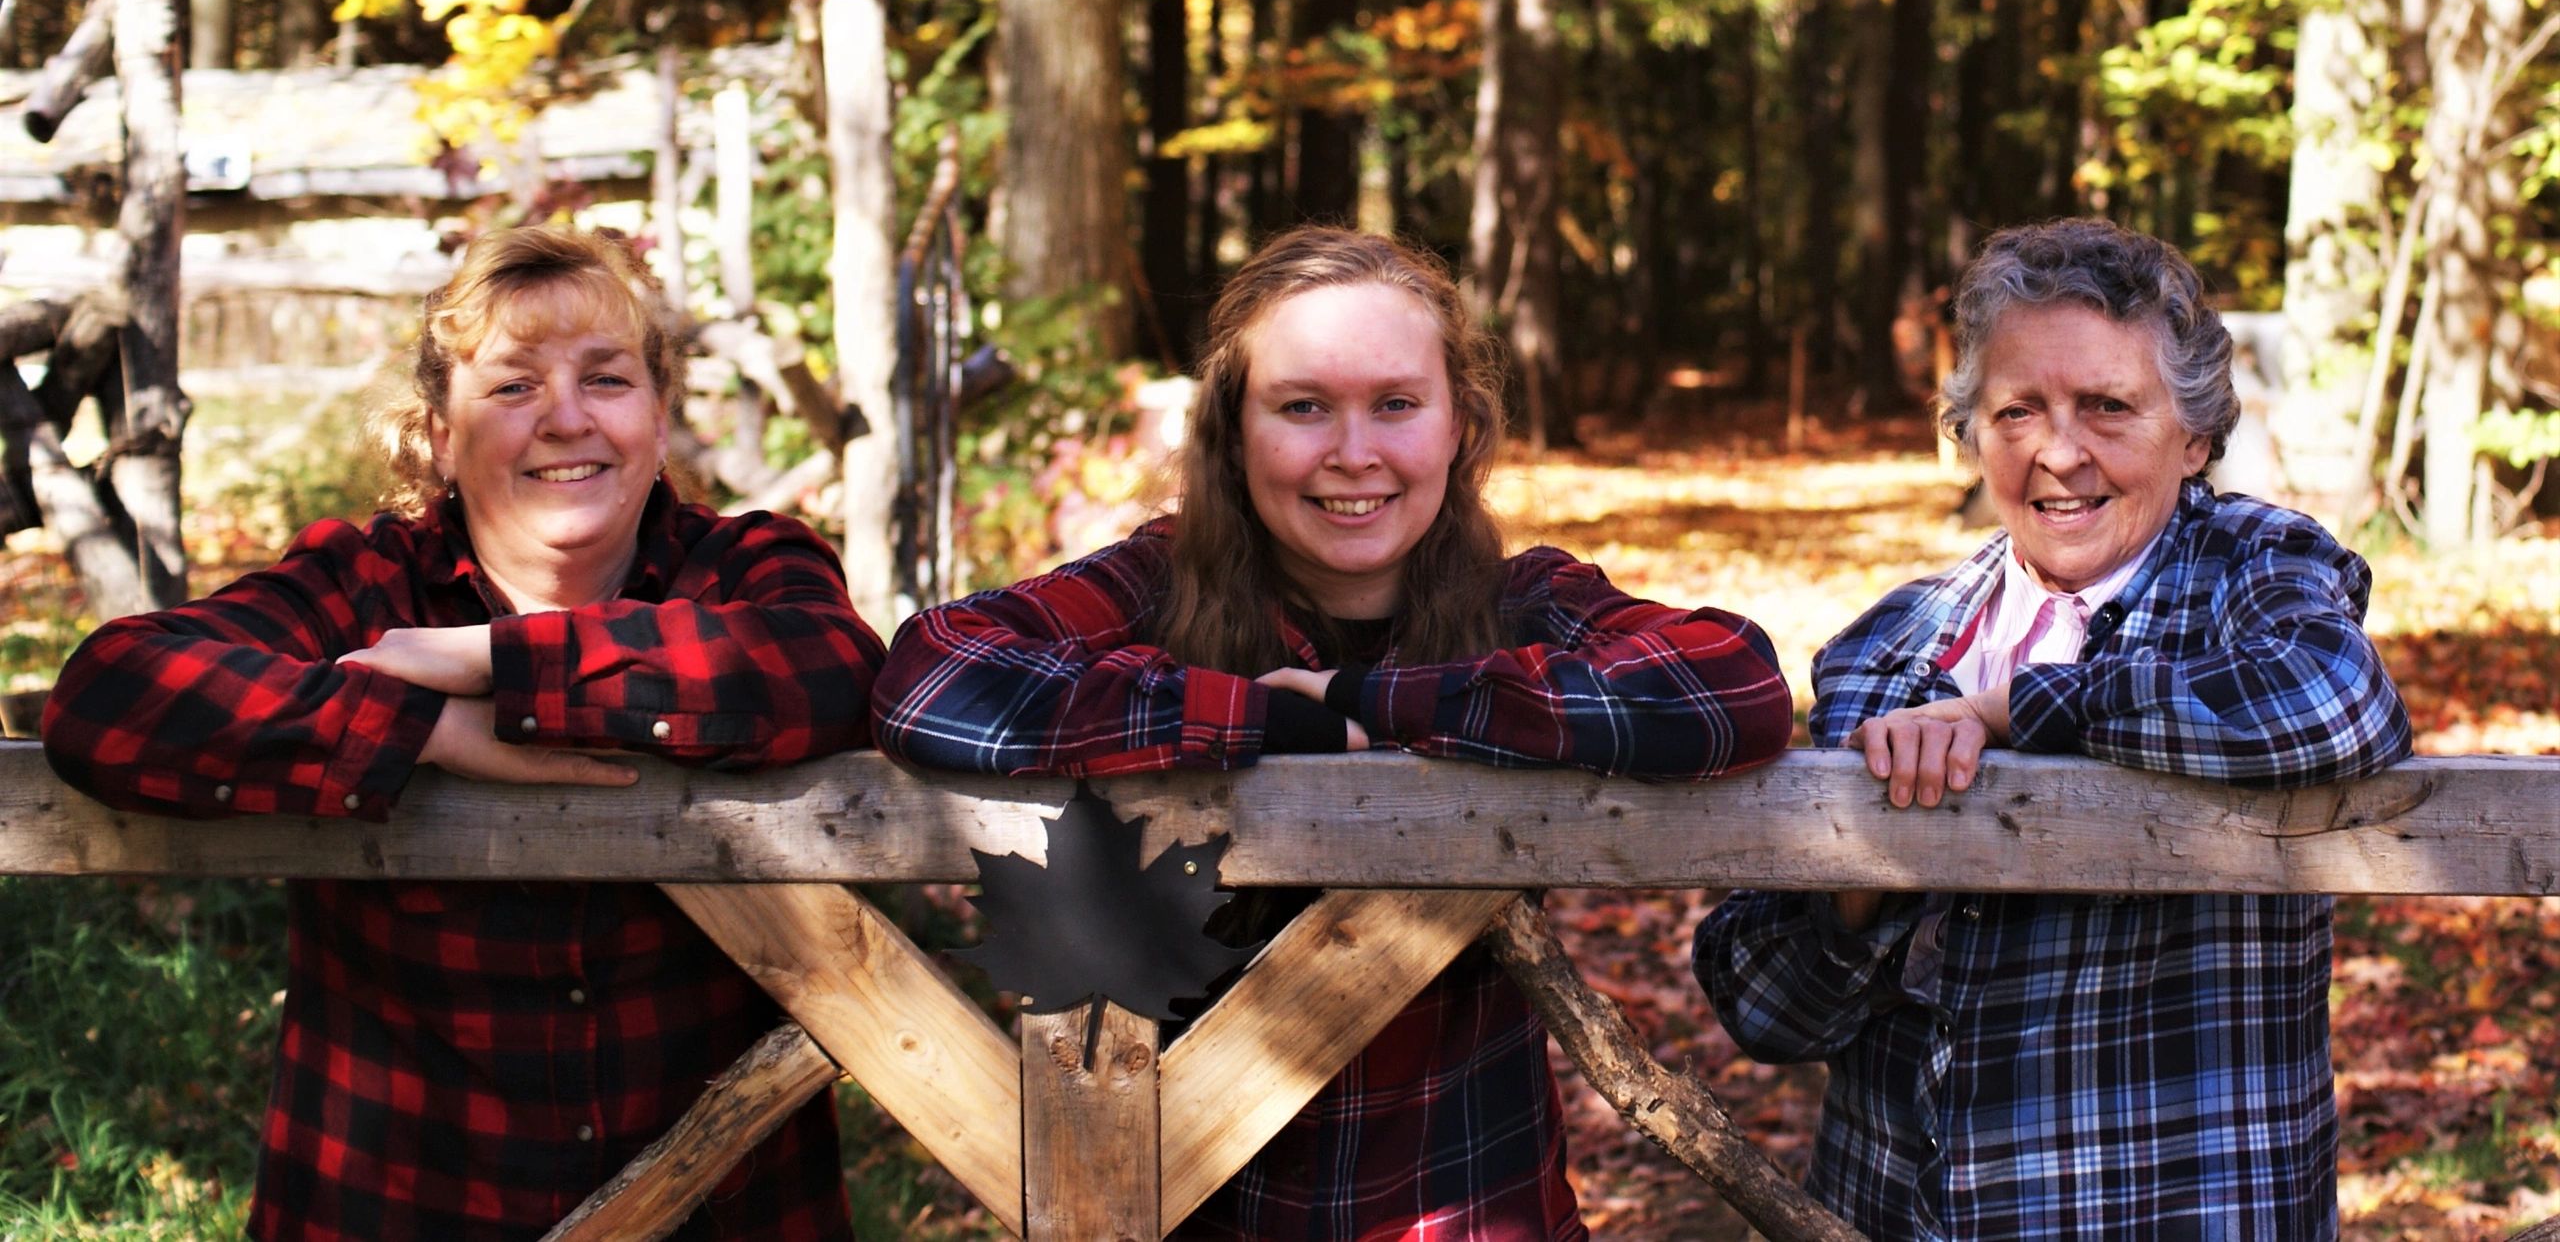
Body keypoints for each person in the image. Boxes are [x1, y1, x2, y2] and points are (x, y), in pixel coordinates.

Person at [873, 225, 1794, 1240]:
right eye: (1302, 406)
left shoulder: (1518, 600)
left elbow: (1732, 684)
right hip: (1190, 1204)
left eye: (1396, 404)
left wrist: (1378, 701)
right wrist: (1265, 717)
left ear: (1459, 426)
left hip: (1469, 1206)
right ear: (1233, 430)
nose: (1353, 453)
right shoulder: (1157, 584)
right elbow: (932, 671)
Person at [43, 226, 884, 1242]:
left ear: (659, 418)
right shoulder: (362, 587)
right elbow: (109, 693)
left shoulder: (746, 567)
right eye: (512, 387)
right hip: (403, 1194)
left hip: (722, 1205)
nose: (565, 418)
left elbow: (833, 666)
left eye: (607, 379)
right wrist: (422, 723)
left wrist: (495, 661)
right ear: (439, 433)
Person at [1693, 218, 2413, 1240]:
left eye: (2107, 406)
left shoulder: (2251, 570)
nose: (2058, 449)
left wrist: (2013, 709)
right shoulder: (1892, 642)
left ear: (2195, 434)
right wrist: (1861, 876)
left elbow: (2336, 701)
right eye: (2016, 409)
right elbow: (1764, 1011)